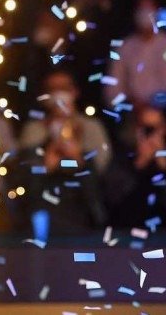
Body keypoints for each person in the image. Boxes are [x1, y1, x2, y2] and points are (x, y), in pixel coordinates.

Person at [18, 70, 111, 241]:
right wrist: (48, 158)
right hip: (43, 216)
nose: (58, 93)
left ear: (75, 92)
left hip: (84, 216)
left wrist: (79, 159)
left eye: (63, 88)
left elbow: (102, 170)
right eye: (52, 89)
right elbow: (25, 174)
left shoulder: (91, 127)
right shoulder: (33, 130)